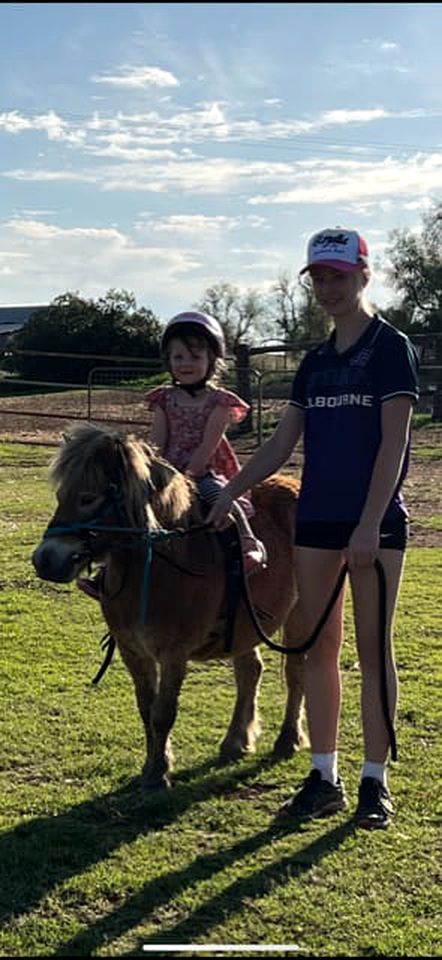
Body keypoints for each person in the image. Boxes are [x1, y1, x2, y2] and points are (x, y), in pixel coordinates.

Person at [207, 228, 419, 830]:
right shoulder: (316, 363)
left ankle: (374, 780)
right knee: (316, 649)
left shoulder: (389, 349)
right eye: (319, 278)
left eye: (338, 276)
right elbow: (280, 442)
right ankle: (322, 775)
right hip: (316, 522)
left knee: (373, 650)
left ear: (363, 276)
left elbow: (395, 444)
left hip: (374, 525)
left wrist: (371, 525)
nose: (328, 288)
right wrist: (232, 490)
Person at [77, 310, 267, 600]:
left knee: (220, 499)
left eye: (194, 357)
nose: (186, 364)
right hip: (166, 469)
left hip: (203, 470)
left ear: (212, 360)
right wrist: (148, 472)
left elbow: (208, 444)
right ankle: (106, 573)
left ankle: (247, 543)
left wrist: (189, 475)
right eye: (178, 357)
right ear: (168, 360)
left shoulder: (219, 402)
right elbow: (157, 442)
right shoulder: (164, 399)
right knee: (126, 507)